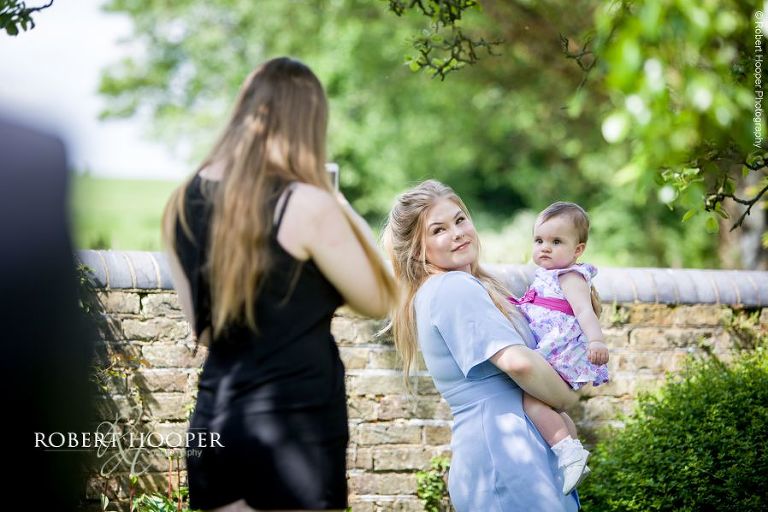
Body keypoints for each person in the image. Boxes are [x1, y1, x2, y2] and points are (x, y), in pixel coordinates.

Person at [162, 57, 396, 512]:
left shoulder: (182, 199)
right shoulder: (305, 203)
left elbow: (205, 330)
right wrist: (336, 199)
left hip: (216, 420)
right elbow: (379, 298)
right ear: (308, 122)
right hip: (295, 429)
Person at [384, 180, 581, 511]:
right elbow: (518, 362)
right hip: (505, 456)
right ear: (419, 249)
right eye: (439, 230)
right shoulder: (453, 288)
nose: (458, 232)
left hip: (511, 453)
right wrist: (567, 397)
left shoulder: (464, 286)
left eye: (460, 220)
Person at [508, 201, 610, 495]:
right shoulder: (547, 275)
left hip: (560, 352)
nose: (545, 248)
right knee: (551, 406)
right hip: (552, 349)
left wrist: (596, 341)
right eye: (539, 240)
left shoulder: (570, 276)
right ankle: (573, 454)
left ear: (578, 250)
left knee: (532, 401)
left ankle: (567, 453)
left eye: (556, 241)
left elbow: (585, 312)